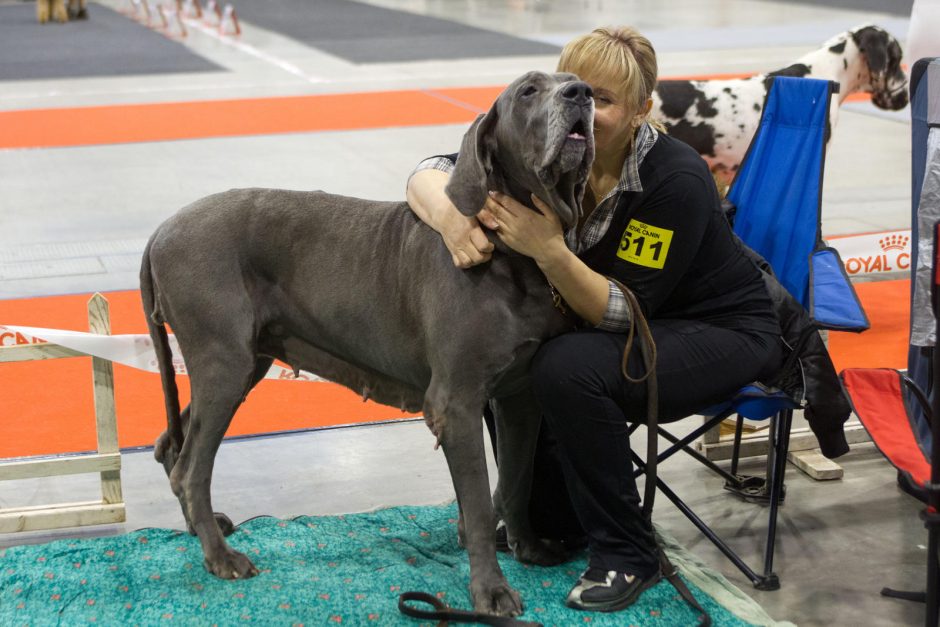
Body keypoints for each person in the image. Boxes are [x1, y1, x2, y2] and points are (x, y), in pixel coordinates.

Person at [406, 26, 784, 613]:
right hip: (629, 327)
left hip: (718, 330)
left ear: (643, 110)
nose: (577, 106)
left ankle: (629, 554)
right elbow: (430, 171)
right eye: (571, 90)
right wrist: (453, 221)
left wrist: (548, 249)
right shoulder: (544, 150)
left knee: (565, 363)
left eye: (599, 100)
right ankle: (532, 513)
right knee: (495, 355)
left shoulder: (675, 178)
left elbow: (620, 311)